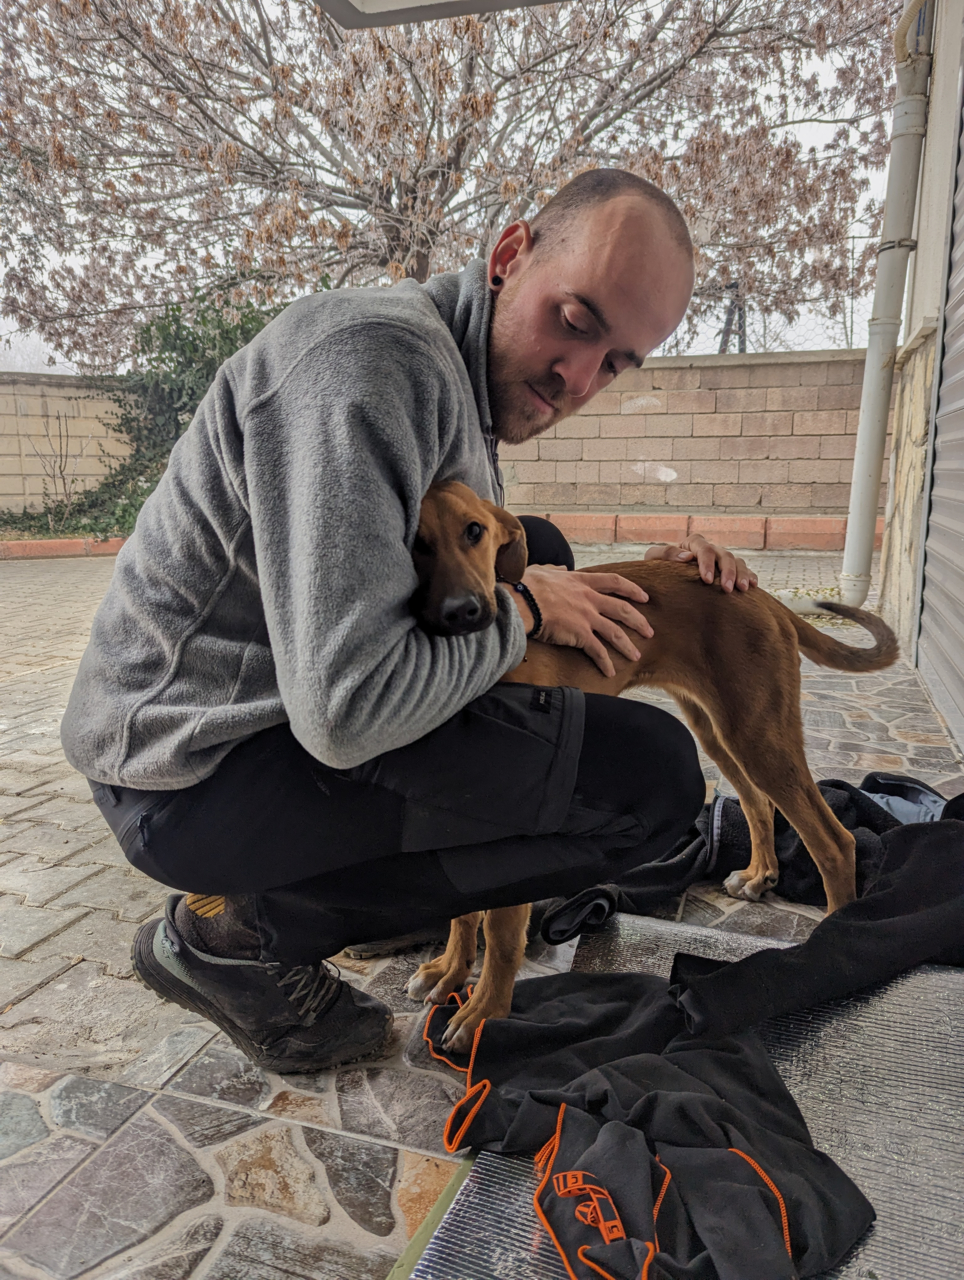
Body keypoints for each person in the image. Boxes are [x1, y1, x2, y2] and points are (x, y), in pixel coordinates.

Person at [62, 169, 757, 1074]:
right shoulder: (373, 362)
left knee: (540, 547)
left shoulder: (458, 379)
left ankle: (388, 881)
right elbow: (348, 713)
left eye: (617, 361)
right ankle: (237, 936)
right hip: (186, 770)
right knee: (651, 782)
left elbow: (482, 558)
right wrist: (524, 610)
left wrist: (657, 577)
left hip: (276, 707)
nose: (579, 376)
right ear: (509, 256)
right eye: (575, 320)